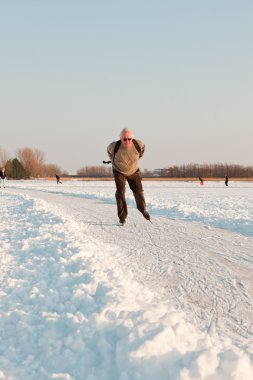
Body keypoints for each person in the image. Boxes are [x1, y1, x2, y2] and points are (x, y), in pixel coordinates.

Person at [107, 128, 151, 225]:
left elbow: (142, 151)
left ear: (132, 138)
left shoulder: (138, 144)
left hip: (134, 171)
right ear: (120, 138)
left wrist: (134, 160)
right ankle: (122, 217)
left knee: (139, 192)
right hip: (119, 171)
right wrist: (114, 161)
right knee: (120, 193)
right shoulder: (113, 146)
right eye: (124, 139)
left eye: (129, 139)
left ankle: (143, 210)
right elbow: (109, 153)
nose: (127, 141)